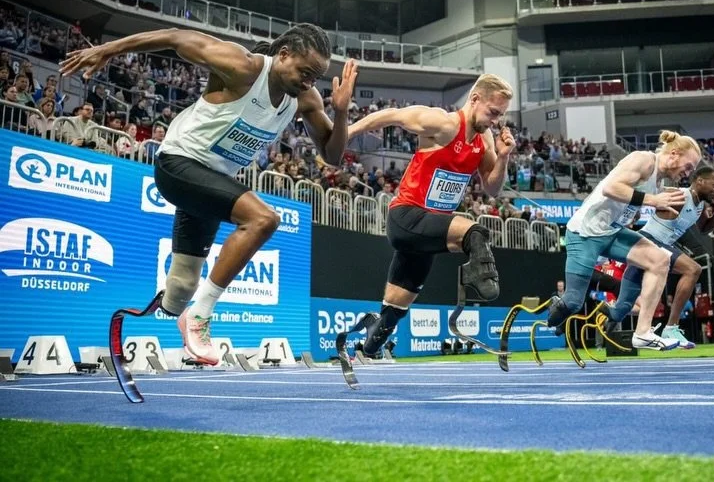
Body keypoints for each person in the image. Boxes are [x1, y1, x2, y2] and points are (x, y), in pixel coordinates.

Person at [61, 24, 358, 365]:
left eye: (315, 77)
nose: (308, 82)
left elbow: (333, 157)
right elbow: (175, 37)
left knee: (182, 286)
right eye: (305, 72)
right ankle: (199, 317)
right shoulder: (243, 67)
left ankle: (156, 318)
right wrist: (108, 49)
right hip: (178, 164)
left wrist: (341, 110)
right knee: (263, 219)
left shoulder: (305, 99)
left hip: (210, 182)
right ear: (284, 54)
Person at [344, 74, 515, 356]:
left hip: (429, 230)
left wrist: (504, 156)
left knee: (396, 309)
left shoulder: (484, 140)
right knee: (475, 232)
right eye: (493, 112)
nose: (495, 120)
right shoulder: (444, 124)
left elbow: (492, 188)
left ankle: (367, 348)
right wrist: (345, 134)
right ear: (474, 100)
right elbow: (393, 115)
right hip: (406, 217)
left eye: (501, 115)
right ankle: (477, 279)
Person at [547, 131, 701, 350]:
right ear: (674, 154)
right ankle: (554, 310)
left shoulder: (658, 181)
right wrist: (652, 200)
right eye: (689, 166)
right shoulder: (644, 160)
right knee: (572, 302)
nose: (688, 173)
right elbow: (611, 188)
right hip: (585, 234)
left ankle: (643, 333)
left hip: (611, 232)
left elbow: (629, 200)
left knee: (659, 260)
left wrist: (635, 210)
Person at [601, 166, 714, 348]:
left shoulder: (699, 205)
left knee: (620, 310)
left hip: (654, 247)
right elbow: (653, 195)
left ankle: (606, 310)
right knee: (693, 269)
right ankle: (671, 327)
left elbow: (703, 229)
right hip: (648, 241)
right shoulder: (679, 195)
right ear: (700, 181)